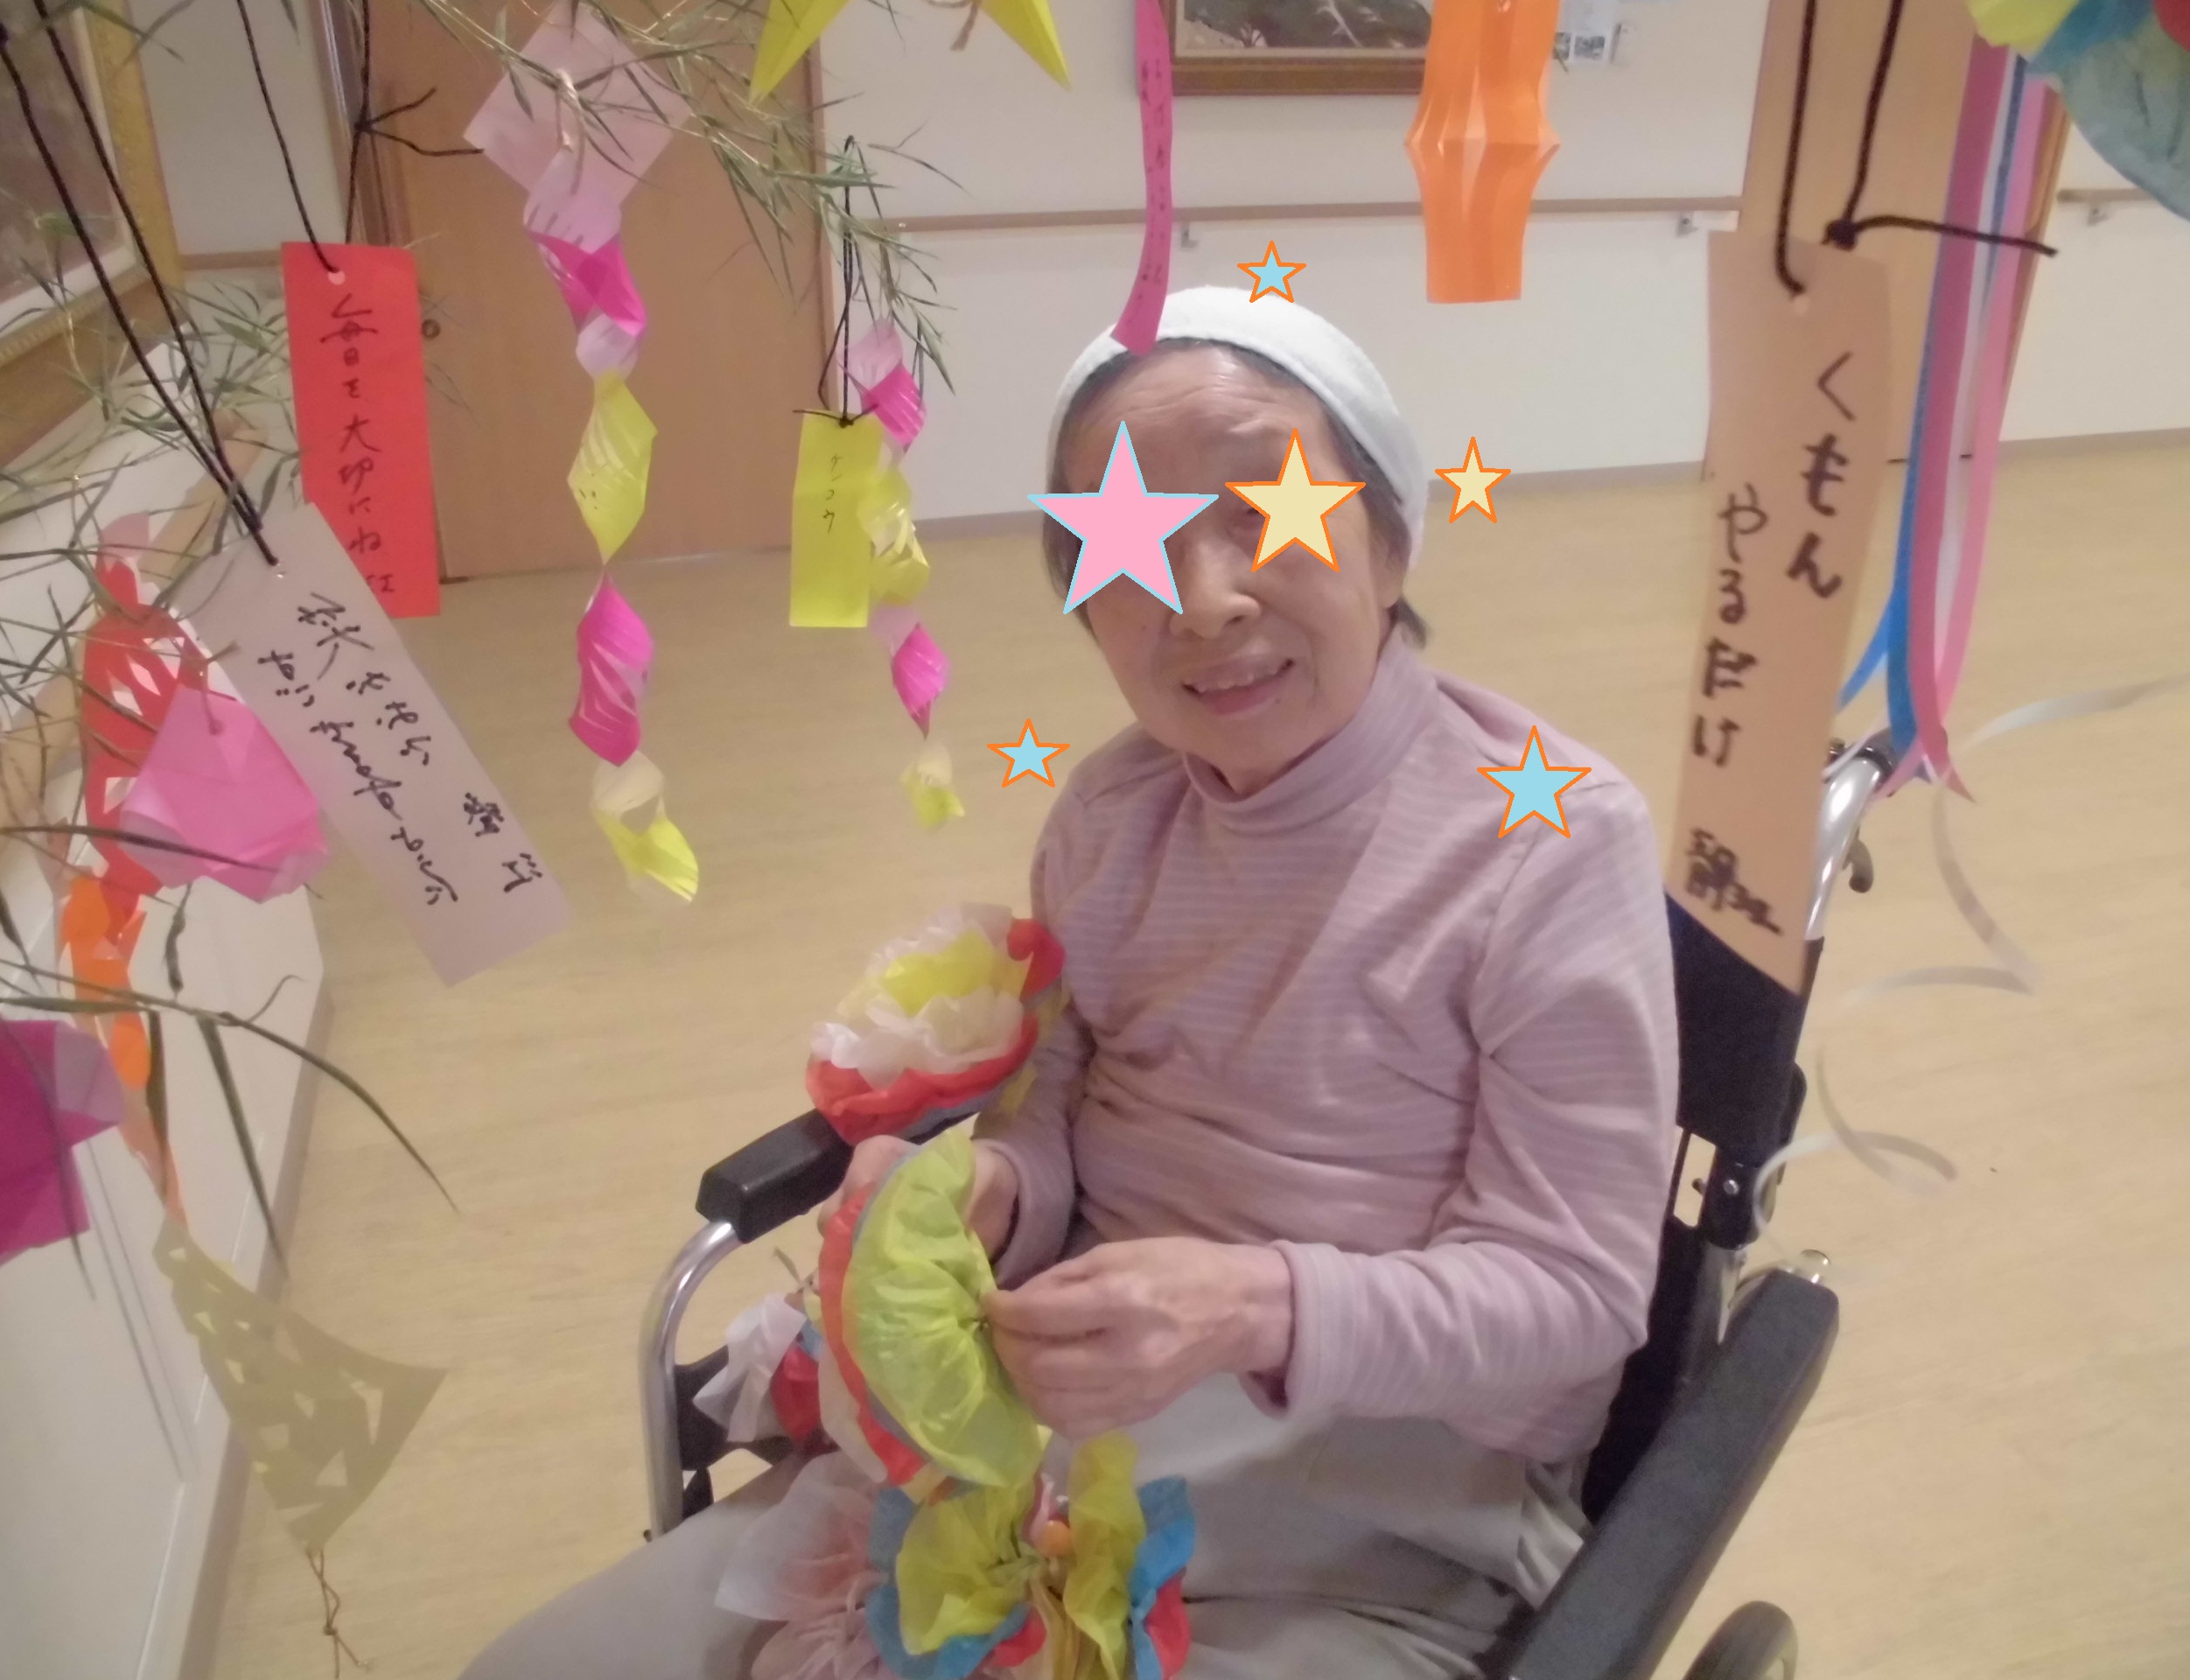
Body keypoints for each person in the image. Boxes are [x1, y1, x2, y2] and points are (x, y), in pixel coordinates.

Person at [462, 287, 1678, 1680]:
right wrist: (999, 1189)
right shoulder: (1112, 816)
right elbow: (1057, 1106)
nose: (1207, 601)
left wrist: (1251, 1307)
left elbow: (1576, 1294)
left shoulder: (1550, 844)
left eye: (1260, 511)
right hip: (1049, 1442)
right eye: (1135, 547)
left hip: (1382, 1508)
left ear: (1391, 542)